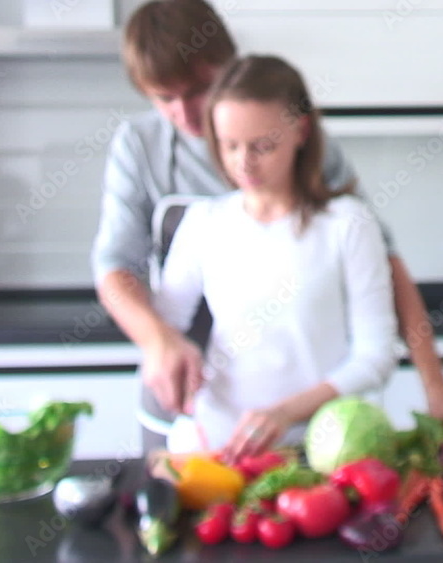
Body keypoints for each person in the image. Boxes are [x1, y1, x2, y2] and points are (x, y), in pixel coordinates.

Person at [91, 0, 443, 456]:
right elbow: (116, 269)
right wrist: (159, 341)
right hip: (187, 402)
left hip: (306, 428)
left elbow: (381, 265)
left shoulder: (331, 203)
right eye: (164, 98)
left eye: (198, 90)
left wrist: (435, 386)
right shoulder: (144, 152)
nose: (185, 114)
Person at [154, 54, 397, 458]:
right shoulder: (203, 223)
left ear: (301, 130)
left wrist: (286, 413)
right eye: (229, 145)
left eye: (262, 146)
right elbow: (166, 326)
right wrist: (172, 355)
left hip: (318, 449)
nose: (243, 162)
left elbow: (376, 356)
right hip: (219, 445)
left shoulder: (348, 225)